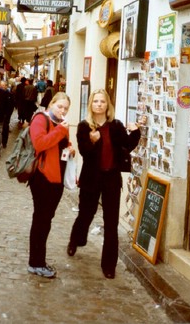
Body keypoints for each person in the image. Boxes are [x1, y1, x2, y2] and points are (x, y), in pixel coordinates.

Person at [67, 88, 140, 279]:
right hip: (91, 179)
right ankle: (76, 239)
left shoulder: (115, 126)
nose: (99, 104)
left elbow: (126, 145)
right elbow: (85, 153)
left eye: (102, 101)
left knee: (111, 223)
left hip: (111, 179)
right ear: (91, 104)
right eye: (96, 101)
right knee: (85, 214)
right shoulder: (84, 127)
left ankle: (109, 265)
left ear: (108, 105)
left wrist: (136, 132)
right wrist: (92, 142)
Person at [28, 92, 75, 278]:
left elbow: (62, 144)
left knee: (46, 220)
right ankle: (36, 262)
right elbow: (39, 143)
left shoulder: (61, 124)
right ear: (52, 104)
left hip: (57, 179)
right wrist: (60, 131)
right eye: (59, 106)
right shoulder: (41, 119)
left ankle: (38, 260)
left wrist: (70, 148)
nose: (62, 110)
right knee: (41, 220)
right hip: (42, 178)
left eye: (65, 108)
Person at [0, 79, 15, 149]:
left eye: (3, 86)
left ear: (6, 86)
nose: (2, 87)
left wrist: (8, 114)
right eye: (1, 86)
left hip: (6, 115)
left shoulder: (10, 95)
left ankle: (4, 142)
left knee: (5, 128)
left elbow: (12, 106)